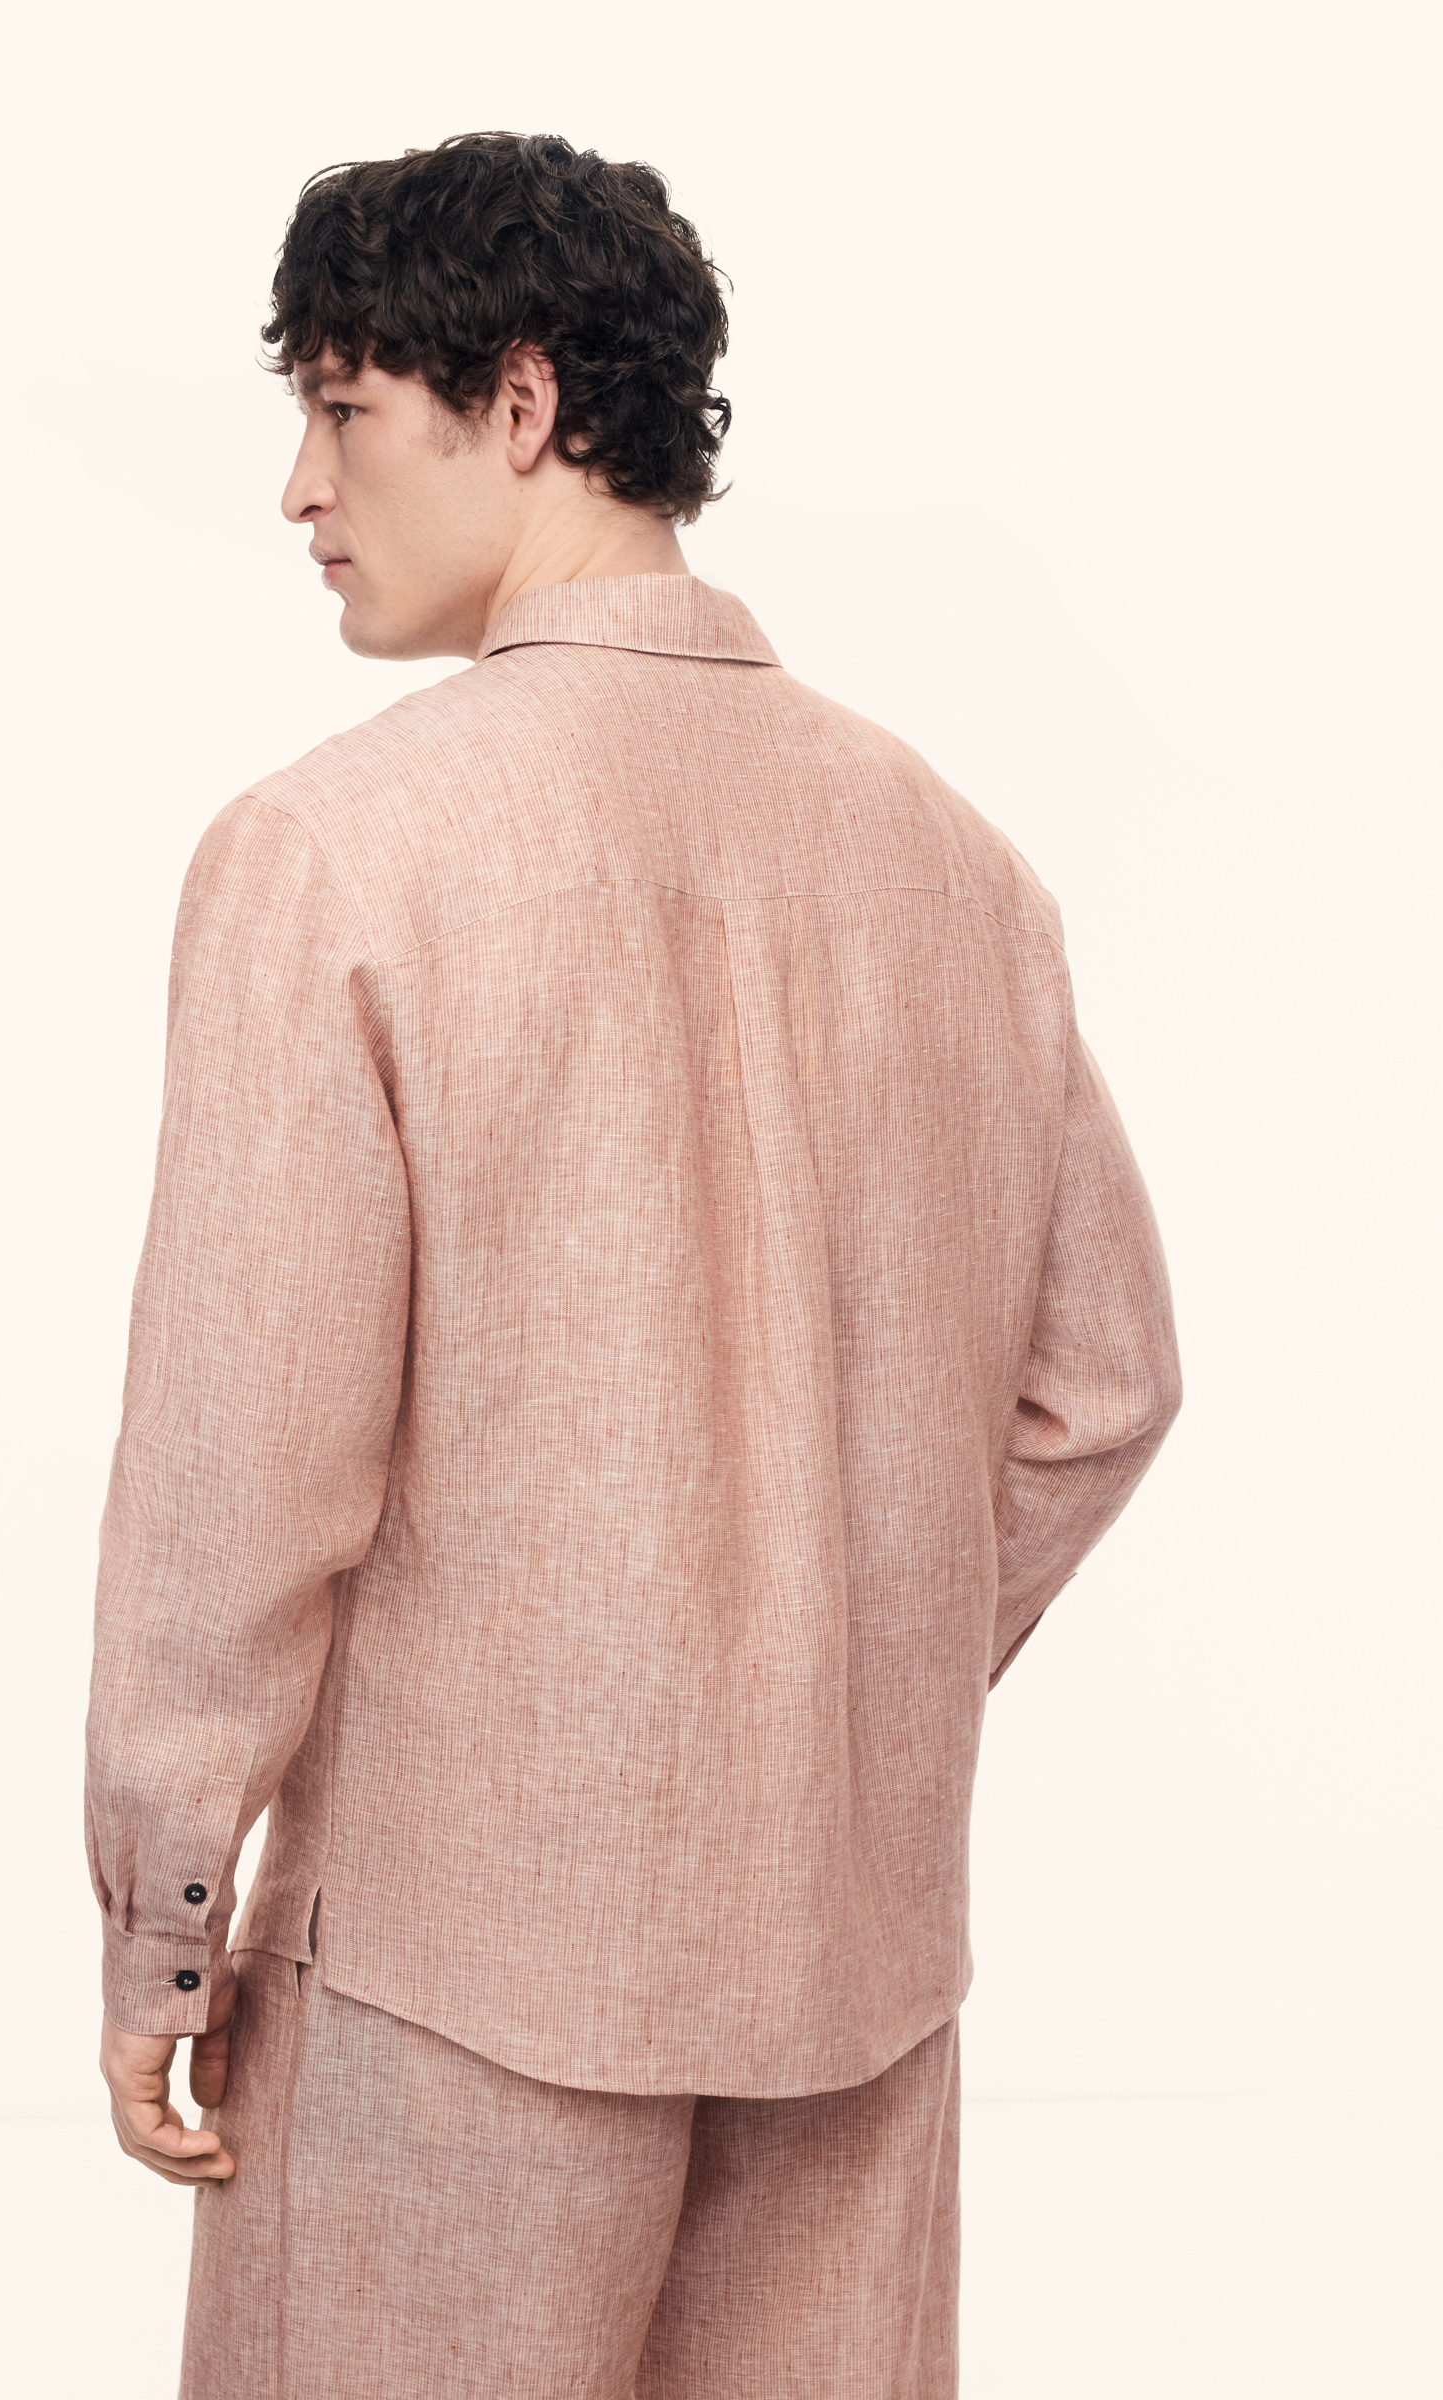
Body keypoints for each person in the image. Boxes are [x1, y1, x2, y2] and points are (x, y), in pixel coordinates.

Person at [83, 131, 1181, 2400]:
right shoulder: (955, 864)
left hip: (451, 1969)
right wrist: (826, 1674)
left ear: (520, 403)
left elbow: (239, 1486)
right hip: (851, 1967)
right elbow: (1104, 1387)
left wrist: (165, 1929)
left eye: (341, 407)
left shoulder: (333, 858)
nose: (300, 486)